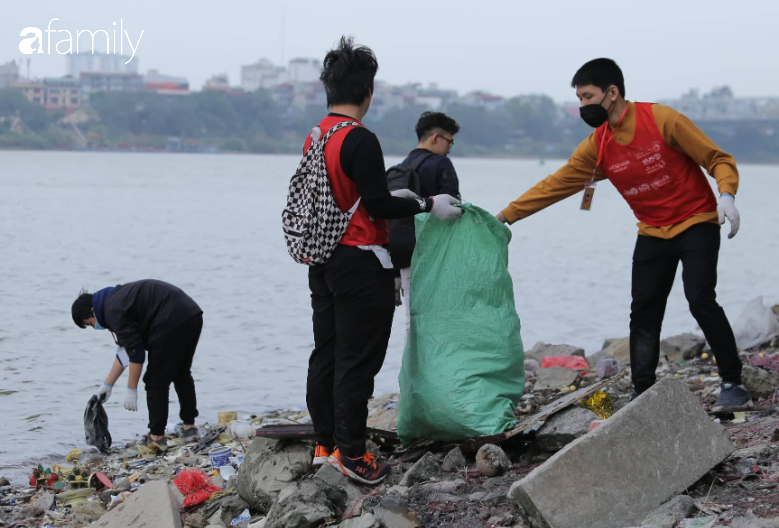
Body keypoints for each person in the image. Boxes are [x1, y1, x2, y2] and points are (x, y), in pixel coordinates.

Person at [497, 58, 751, 413]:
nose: (582, 105)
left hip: (696, 220)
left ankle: (732, 383)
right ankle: (642, 392)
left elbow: (717, 158)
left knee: (700, 299)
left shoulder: (662, 120)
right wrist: (504, 217)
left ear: (612, 92)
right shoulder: (598, 145)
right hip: (652, 231)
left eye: (588, 96)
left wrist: (726, 194)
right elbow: (556, 184)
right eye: (579, 99)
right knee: (643, 312)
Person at [304, 36, 462, 485]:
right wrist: (428, 203)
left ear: (329, 89)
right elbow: (375, 205)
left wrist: (390, 195)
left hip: (323, 260)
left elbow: (340, 197)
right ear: (368, 92)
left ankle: (325, 443)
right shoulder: (360, 140)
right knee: (359, 360)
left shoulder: (317, 136)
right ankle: (353, 454)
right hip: (360, 262)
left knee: (327, 354)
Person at [72, 279, 204, 447]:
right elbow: (125, 352)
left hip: (170, 320)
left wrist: (131, 389)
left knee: (155, 380)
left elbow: (136, 353)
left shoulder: (113, 310)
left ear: (92, 310)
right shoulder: (112, 301)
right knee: (180, 373)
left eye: (90, 324)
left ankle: (156, 437)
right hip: (191, 314)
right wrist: (107, 386)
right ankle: (189, 428)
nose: (96, 327)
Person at [390, 111, 461, 333]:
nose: (450, 146)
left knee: (414, 320)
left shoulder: (403, 165)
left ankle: (414, 366)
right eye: (449, 140)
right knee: (440, 317)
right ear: (435, 137)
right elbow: (454, 208)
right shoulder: (441, 164)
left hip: (404, 255)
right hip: (434, 254)